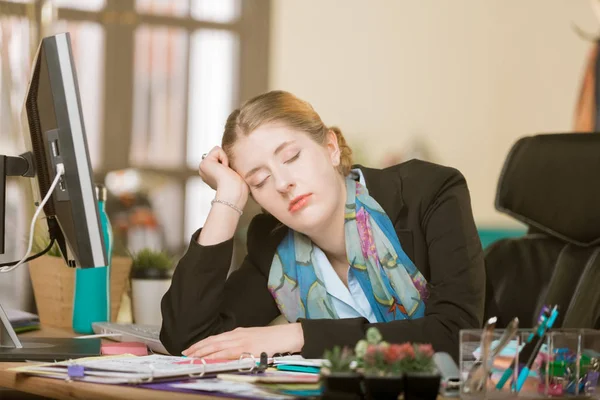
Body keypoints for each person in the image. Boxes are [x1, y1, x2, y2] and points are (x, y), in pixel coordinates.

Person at [160, 90, 485, 361]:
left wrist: (299, 336)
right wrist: (227, 200)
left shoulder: (428, 193)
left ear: (330, 148)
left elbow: (457, 335)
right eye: (259, 181)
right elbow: (189, 340)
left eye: (290, 157)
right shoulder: (273, 248)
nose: (284, 183)